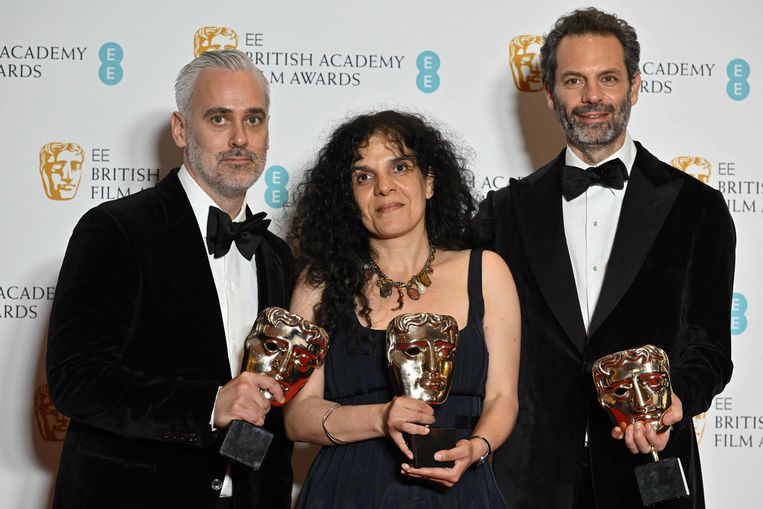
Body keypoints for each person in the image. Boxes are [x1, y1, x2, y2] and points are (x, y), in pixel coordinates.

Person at [472, 8, 735, 509]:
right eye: (575, 80)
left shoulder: (698, 208)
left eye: (608, 78)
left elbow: (709, 348)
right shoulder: (504, 212)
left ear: (634, 86)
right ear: (550, 95)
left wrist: (672, 403)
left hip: (652, 466)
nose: (593, 96)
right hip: (529, 476)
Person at [46, 49, 294, 509]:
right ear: (181, 129)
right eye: (219, 119)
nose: (240, 138)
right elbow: (76, 380)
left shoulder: (276, 255)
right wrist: (209, 404)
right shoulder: (117, 230)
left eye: (254, 120)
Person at [284, 110, 520, 508]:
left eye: (400, 167)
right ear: (349, 197)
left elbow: (502, 398)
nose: (383, 187)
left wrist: (478, 446)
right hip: (348, 491)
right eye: (364, 176)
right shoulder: (319, 284)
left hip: (460, 491)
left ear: (428, 181)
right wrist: (379, 417)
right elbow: (297, 417)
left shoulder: (486, 271)